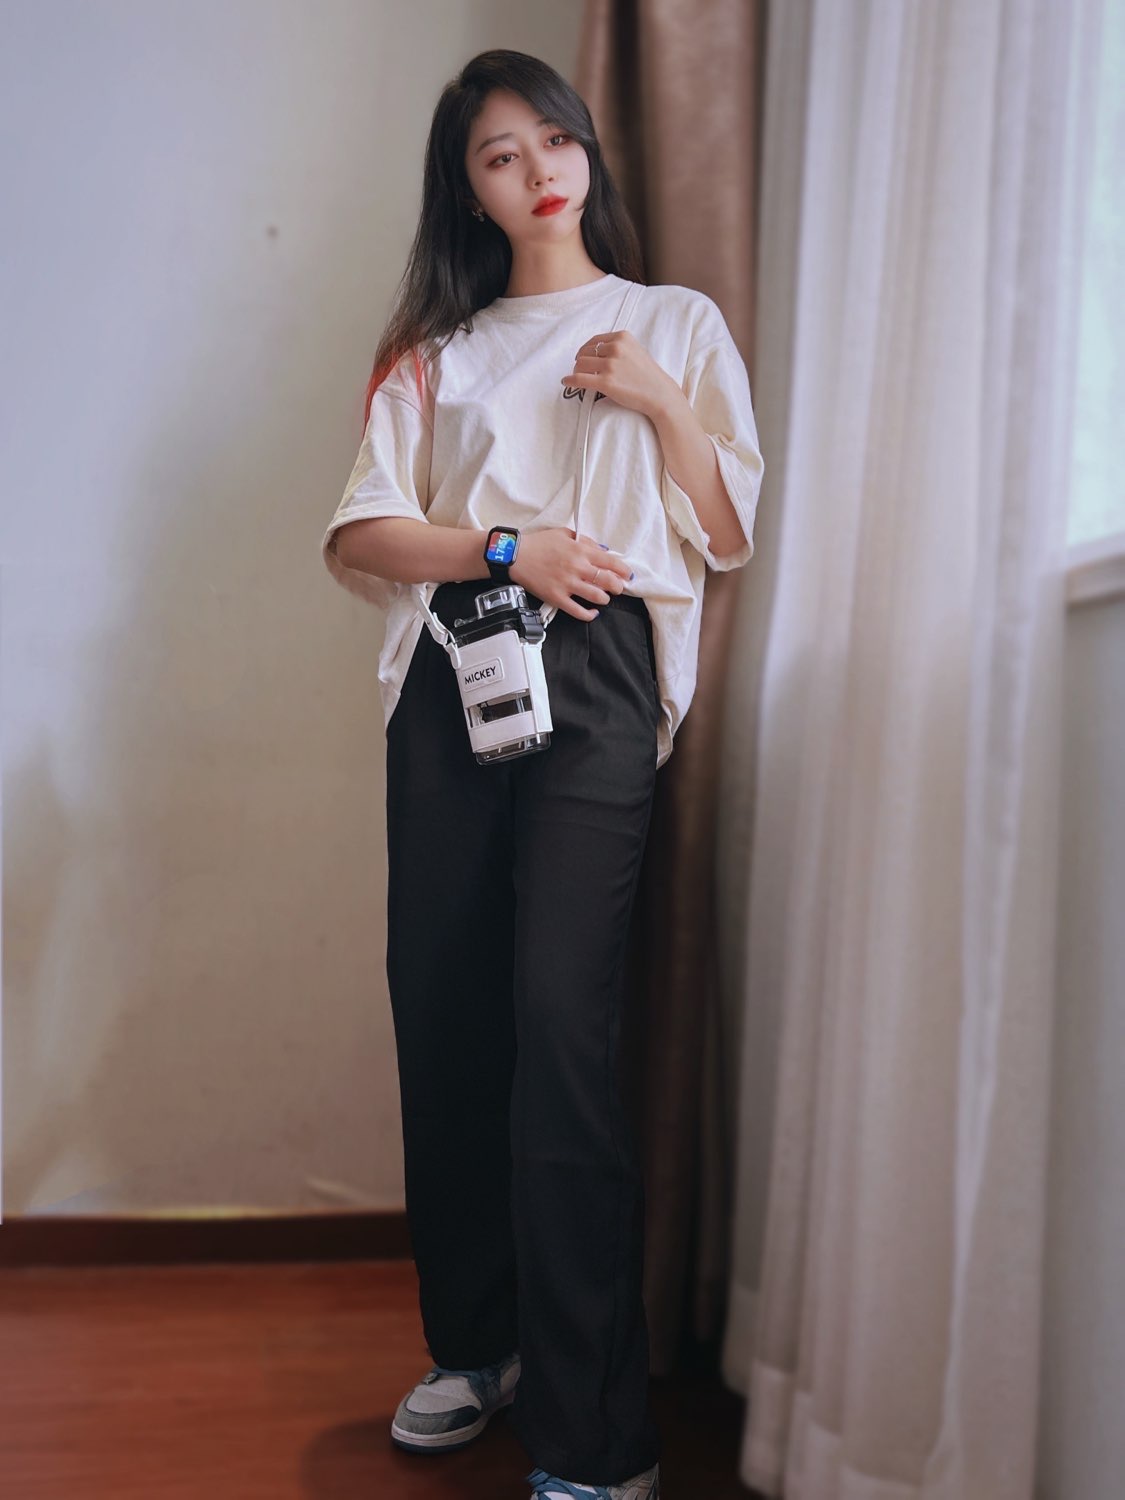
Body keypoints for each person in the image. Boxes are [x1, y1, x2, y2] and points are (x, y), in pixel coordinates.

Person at [320, 47, 764, 1500]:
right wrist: (507, 547)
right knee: (447, 1010)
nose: (537, 171)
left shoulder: (671, 321)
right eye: (499, 156)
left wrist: (662, 402)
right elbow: (361, 534)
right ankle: (478, 1346)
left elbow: (726, 530)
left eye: (552, 140)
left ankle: (595, 1439)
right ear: (469, 190)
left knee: (562, 1027)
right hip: (452, 666)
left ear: (586, 150)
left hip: (598, 670)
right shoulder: (431, 352)